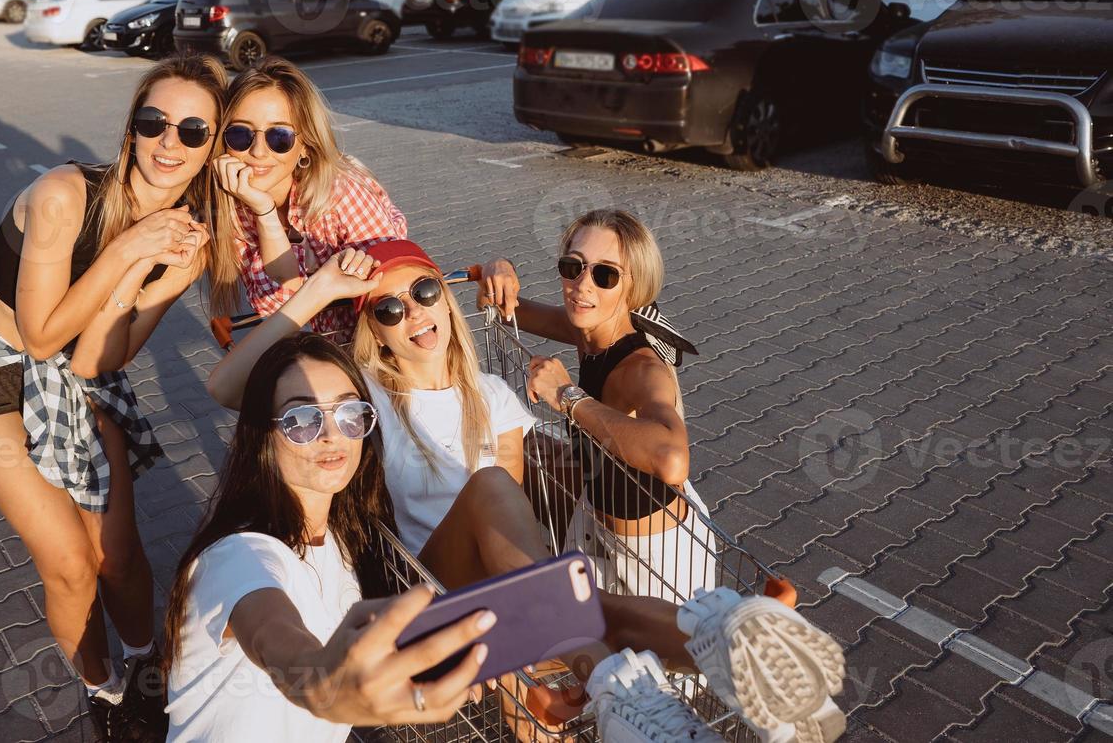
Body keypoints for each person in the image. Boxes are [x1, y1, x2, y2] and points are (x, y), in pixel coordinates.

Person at [206, 240, 846, 743]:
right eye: (390, 307)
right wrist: (322, 289)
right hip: (427, 586)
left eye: (425, 290)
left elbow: (519, 504)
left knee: (577, 606)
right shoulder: (363, 394)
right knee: (526, 547)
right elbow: (231, 388)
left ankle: (732, 646)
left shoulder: (491, 393)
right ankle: (652, 650)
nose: (416, 313)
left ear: (444, 298)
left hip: (506, 586)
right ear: (374, 327)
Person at [0, 54, 226, 727]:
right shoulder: (64, 195)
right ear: (132, 129)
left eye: (193, 132)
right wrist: (129, 249)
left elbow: (93, 361)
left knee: (118, 554)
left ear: (211, 148)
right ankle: (104, 691)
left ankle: (148, 665)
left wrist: (165, 281)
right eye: (154, 122)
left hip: (75, 377)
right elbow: (37, 337)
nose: (169, 142)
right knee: (70, 564)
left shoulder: (184, 240)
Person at [163, 333, 493, 743]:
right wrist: (320, 686)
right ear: (263, 434)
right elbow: (274, 637)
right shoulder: (238, 554)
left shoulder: (345, 539)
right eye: (301, 420)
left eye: (349, 413)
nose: (332, 434)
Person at [477, 209, 715, 604]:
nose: (582, 285)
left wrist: (568, 397)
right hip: (595, 523)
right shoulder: (589, 328)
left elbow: (673, 459)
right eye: (572, 267)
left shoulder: (640, 368)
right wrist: (497, 268)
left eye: (605, 275)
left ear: (632, 285)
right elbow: (507, 308)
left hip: (652, 564)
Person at [209, 55, 406, 341]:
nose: (259, 152)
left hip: (381, 344)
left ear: (304, 146)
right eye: (240, 134)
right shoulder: (235, 209)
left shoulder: (339, 191)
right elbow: (278, 301)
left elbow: (398, 285)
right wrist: (263, 210)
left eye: (279, 137)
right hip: (324, 350)